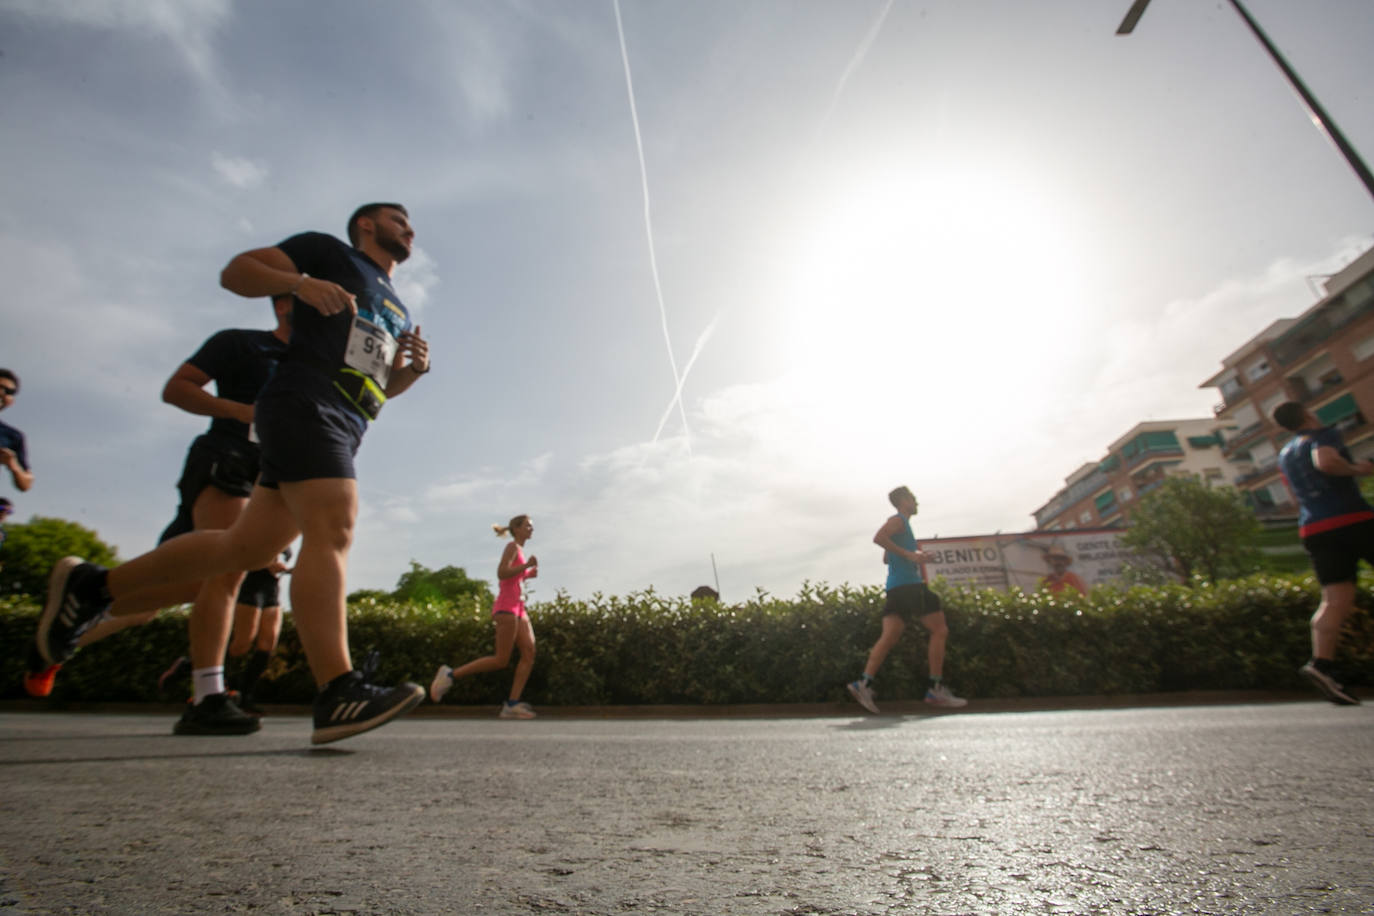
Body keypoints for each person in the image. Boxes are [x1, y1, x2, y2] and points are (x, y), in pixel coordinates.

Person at [34, 202, 431, 744]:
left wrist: (410, 371)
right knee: (333, 527)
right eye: (397, 218)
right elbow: (236, 271)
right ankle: (339, 690)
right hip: (303, 403)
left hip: (347, 418)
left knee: (241, 549)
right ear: (367, 224)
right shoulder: (326, 251)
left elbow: (378, 384)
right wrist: (301, 283)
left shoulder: (397, 305)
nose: (408, 228)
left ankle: (92, 587)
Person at [22, 299, 292, 736]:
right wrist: (241, 411)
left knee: (154, 597)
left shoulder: (312, 365)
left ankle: (60, 630)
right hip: (226, 460)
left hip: (266, 478)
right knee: (227, 573)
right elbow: (178, 389)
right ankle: (207, 697)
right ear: (282, 302)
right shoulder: (240, 343)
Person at [1273, 400, 1371, 705]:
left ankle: (1322, 665)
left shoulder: (1285, 454)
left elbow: (1293, 492)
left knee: (1334, 600)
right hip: (1351, 519)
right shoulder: (1322, 436)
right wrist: (1357, 469)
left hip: (1314, 527)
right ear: (1306, 414)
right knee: (1337, 599)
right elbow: (1326, 462)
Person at [847, 486, 967, 713]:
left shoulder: (902, 526)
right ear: (903, 500)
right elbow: (878, 538)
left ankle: (863, 683)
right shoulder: (898, 520)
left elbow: (886, 556)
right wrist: (910, 555)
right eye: (913, 498)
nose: (917, 502)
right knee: (939, 630)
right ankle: (935, 689)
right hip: (909, 587)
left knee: (889, 637)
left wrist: (915, 557)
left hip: (895, 588)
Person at [429, 515, 539, 719]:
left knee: (529, 652)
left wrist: (527, 575)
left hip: (519, 608)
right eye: (528, 526)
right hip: (507, 608)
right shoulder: (512, 547)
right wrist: (525, 567)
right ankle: (450, 675)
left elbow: (512, 578)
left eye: (531, 526)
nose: (532, 529)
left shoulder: (520, 550)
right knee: (501, 660)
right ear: (516, 528)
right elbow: (501, 573)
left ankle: (512, 705)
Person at [227, 547, 293, 714]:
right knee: (241, 644)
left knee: (268, 645)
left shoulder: (287, 541)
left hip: (271, 592)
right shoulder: (264, 530)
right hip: (250, 589)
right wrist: (270, 563)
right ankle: (189, 664)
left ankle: (245, 696)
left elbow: (279, 565)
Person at [0, 369, 34, 493]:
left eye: (8, 391)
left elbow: (26, 484)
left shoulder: (13, 436)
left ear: (11, 401)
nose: (2, 393)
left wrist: (12, 465)